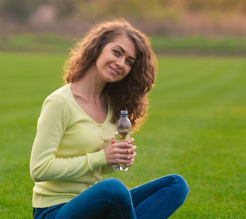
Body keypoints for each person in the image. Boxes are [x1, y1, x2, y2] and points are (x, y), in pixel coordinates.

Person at [30, 19, 189, 219]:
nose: (121, 63)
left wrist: (115, 160)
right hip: (55, 211)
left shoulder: (113, 107)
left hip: (95, 205)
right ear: (97, 48)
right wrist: (102, 157)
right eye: (117, 52)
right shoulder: (59, 102)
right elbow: (39, 169)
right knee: (113, 189)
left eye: (129, 61)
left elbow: (95, 173)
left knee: (175, 185)